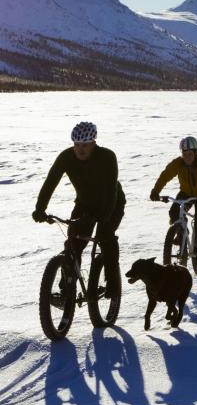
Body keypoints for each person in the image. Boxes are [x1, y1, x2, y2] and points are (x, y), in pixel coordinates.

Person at [32, 121, 126, 289]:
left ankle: (113, 285)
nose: (80, 149)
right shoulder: (66, 157)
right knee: (73, 243)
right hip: (84, 204)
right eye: (77, 145)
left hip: (112, 202)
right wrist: (40, 209)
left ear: (93, 143)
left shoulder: (107, 157)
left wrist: (105, 215)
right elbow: (50, 182)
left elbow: (112, 189)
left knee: (105, 237)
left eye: (85, 145)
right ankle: (67, 288)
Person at [150, 136, 197, 271]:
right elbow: (165, 176)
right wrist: (155, 191)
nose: (187, 157)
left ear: (195, 152)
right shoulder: (178, 163)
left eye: (190, 154)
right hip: (186, 193)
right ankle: (181, 233)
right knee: (174, 212)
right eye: (184, 154)